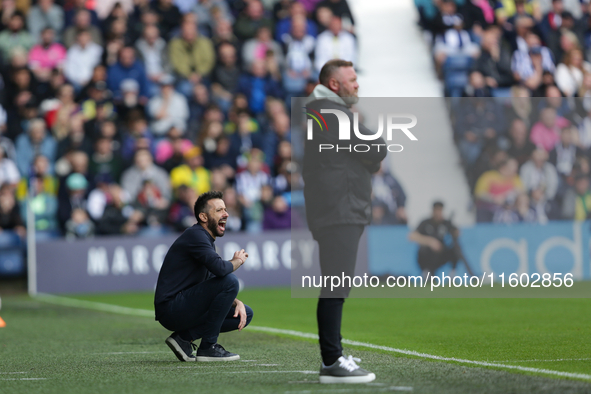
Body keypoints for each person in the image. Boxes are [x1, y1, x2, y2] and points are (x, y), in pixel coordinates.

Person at [303, 59, 385, 383]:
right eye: (351, 80)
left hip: (338, 208)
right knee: (336, 285)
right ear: (334, 84)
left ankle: (333, 356)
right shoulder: (328, 110)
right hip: (339, 209)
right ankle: (332, 360)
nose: (357, 85)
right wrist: (367, 155)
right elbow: (377, 148)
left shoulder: (325, 111)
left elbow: (371, 154)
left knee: (338, 284)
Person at [154, 190, 253, 362]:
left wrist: (237, 302)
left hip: (183, 305)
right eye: (219, 210)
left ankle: (183, 338)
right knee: (230, 281)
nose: (226, 214)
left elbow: (210, 283)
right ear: (204, 217)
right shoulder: (196, 235)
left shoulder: (203, 239)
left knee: (245, 314)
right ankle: (208, 347)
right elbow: (221, 271)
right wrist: (237, 261)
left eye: (225, 209)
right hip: (171, 308)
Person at [409, 201, 461, 275]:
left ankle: (452, 273)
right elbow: (412, 236)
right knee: (422, 250)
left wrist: (455, 232)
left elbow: (456, 232)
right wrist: (430, 242)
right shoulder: (425, 223)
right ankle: (426, 272)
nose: (438, 213)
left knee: (455, 249)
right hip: (428, 256)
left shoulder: (446, 223)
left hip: (441, 254)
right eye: (437, 210)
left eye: (440, 210)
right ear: (433, 211)